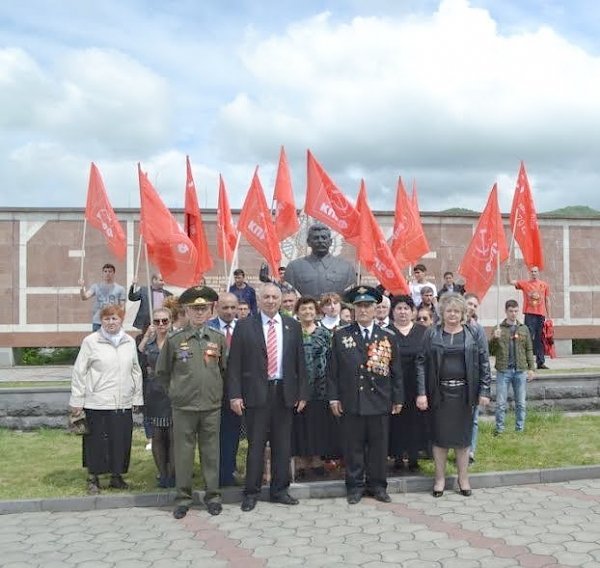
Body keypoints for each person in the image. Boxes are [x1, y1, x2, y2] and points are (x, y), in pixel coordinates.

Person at [227, 283, 308, 512]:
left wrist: (302, 393)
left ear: (281, 300)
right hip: (255, 395)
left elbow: (299, 362)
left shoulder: (292, 325)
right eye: (266, 297)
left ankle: (279, 490)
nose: (271, 301)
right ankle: (251, 492)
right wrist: (235, 395)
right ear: (259, 300)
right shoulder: (244, 326)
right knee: (256, 446)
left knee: (283, 445)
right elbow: (234, 364)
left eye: (275, 297)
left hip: (284, 393)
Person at [155, 286, 227, 519]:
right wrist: (176, 393)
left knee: (211, 453)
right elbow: (163, 371)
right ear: (186, 310)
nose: (198, 313)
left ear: (210, 311)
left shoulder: (217, 338)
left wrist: (217, 392)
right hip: (183, 408)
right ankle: (183, 499)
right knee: (183, 454)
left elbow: (225, 370)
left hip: (211, 407)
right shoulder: (175, 340)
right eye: (194, 309)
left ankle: (213, 496)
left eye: (203, 308)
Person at [327, 286, 404, 505]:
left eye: (367, 306)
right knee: (353, 447)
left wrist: (398, 398)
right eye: (359, 306)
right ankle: (354, 486)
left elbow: (396, 370)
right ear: (353, 309)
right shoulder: (342, 335)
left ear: (375, 309)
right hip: (352, 401)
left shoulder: (387, 336)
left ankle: (378, 485)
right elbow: (332, 371)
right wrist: (334, 398)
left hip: (380, 400)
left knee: (379, 448)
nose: (363, 310)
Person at [416, 293, 491, 498]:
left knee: (462, 440)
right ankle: (439, 479)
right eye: (449, 310)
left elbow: (484, 362)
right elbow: (421, 363)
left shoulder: (473, 334)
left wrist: (484, 390)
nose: (452, 315)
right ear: (442, 312)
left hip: (464, 395)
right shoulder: (432, 334)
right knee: (440, 440)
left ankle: (463, 478)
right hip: (439, 394)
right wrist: (421, 393)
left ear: (463, 314)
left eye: (456, 311)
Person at [69, 305, 143, 494]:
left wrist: (137, 397)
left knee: (120, 440)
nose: (111, 322)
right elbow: (79, 371)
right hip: (97, 401)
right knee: (96, 442)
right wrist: (77, 399)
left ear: (121, 320)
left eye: (115, 318)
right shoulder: (91, 341)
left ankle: (116, 476)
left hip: (122, 401)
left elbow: (135, 370)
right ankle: (93, 477)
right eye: (107, 319)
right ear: (101, 321)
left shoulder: (128, 341)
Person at [291, 296, 336, 479]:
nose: (307, 312)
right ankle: (301, 462)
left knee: (318, 425)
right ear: (297, 312)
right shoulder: (292, 332)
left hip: (321, 387)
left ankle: (317, 460)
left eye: (310, 308)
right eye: (303, 309)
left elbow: (332, 359)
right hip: (298, 388)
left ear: (316, 311)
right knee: (300, 426)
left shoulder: (324, 333)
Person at [387, 295, 427, 473]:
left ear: (413, 312)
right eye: (398, 308)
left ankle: (413, 457)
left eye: (406, 308)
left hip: (416, 385)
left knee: (415, 422)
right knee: (396, 421)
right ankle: (396, 457)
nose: (402, 312)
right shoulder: (386, 332)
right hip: (393, 385)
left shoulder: (423, 332)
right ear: (392, 312)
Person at [137, 307, 175, 488]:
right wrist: (145, 337)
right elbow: (137, 361)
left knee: (174, 436)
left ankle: (173, 473)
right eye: (157, 321)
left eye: (165, 321)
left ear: (171, 322)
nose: (161, 324)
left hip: (173, 394)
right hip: (154, 394)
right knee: (158, 436)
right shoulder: (149, 344)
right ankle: (162, 473)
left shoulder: (177, 342)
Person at [207, 292, 242, 487]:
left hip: (236, 391)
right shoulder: (208, 327)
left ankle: (228, 472)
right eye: (225, 307)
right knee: (212, 435)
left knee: (232, 433)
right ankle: (213, 474)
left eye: (232, 308)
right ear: (217, 308)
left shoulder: (245, 327)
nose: (229, 311)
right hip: (213, 390)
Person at [493, 299, 536, 435]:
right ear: (506, 312)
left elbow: (529, 349)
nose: (513, 314)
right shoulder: (498, 328)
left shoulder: (524, 328)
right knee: (500, 403)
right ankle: (499, 429)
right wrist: (494, 338)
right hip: (503, 370)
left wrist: (531, 368)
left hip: (520, 370)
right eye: (511, 311)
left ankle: (519, 429)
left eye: (516, 311)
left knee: (521, 403)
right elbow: (490, 350)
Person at [284, 223, 356, 297]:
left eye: (324, 238)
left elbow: (349, 299)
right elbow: (289, 298)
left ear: (330, 242)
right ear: (308, 242)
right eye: (316, 238)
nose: (320, 241)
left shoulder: (347, 268)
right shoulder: (294, 268)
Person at [508, 265, 551, 369]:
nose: (534, 273)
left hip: (540, 315)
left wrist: (549, 316)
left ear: (538, 273)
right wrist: (508, 270)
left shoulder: (544, 285)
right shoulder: (525, 284)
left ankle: (540, 362)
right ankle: (527, 362)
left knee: (540, 339)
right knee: (527, 338)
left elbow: (547, 300)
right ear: (529, 273)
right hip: (529, 314)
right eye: (532, 271)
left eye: (535, 271)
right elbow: (510, 281)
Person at [464, 292, 485, 464]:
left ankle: (470, 450)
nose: (471, 307)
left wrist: (484, 387)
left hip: (472, 380)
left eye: (474, 305)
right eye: (469, 303)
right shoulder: (449, 324)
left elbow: (483, 358)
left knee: (473, 418)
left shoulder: (478, 329)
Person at [78, 263, 126, 331]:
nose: (107, 273)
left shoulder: (120, 289)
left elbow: (122, 307)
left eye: (110, 271)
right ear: (102, 273)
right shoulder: (96, 286)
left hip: (113, 322)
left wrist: (121, 320)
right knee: (96, 341)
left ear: (114, 273)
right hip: (98, 322)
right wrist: (82, 287)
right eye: (105, 271)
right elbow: (84, 297)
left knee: (112, 341)